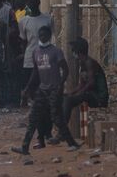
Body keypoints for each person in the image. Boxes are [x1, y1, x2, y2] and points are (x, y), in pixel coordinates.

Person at [12, 26, 80, 155]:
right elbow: (35, 72)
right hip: (42, 90)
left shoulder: (56, 51)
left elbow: (65, 70)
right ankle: (25, 147)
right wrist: (27, 87)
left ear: (49, 36)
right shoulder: (36, 51)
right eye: (40, 35)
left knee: (57, 117)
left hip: (54, 89)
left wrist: (60, 85)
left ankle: (72, 143)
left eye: (44, 35)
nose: (42, 38)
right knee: (33, 118)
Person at [62, 37, 109, 125]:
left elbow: (91, 83)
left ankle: (63, 131)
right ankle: (62, 129)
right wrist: (70, 93)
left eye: (73, 50)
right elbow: (81, 85)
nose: (72, 52)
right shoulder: (82, 63)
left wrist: (79, 94)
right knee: (66, 99)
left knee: (69, 102)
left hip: (99, 97)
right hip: (90, 95)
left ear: (78, 50)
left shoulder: (89, 62)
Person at [18, 0, 53, 102]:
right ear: (27, 4)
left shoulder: (48, 19)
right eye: (30, 2)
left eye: (34, 2)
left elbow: (52, 36)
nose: (32, 4)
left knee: (42, 82)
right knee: (30, 81)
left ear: (39, 3)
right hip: (30, 56)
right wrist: (23, 54)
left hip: (45, 56)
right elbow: (23, 40)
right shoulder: (23, 21)